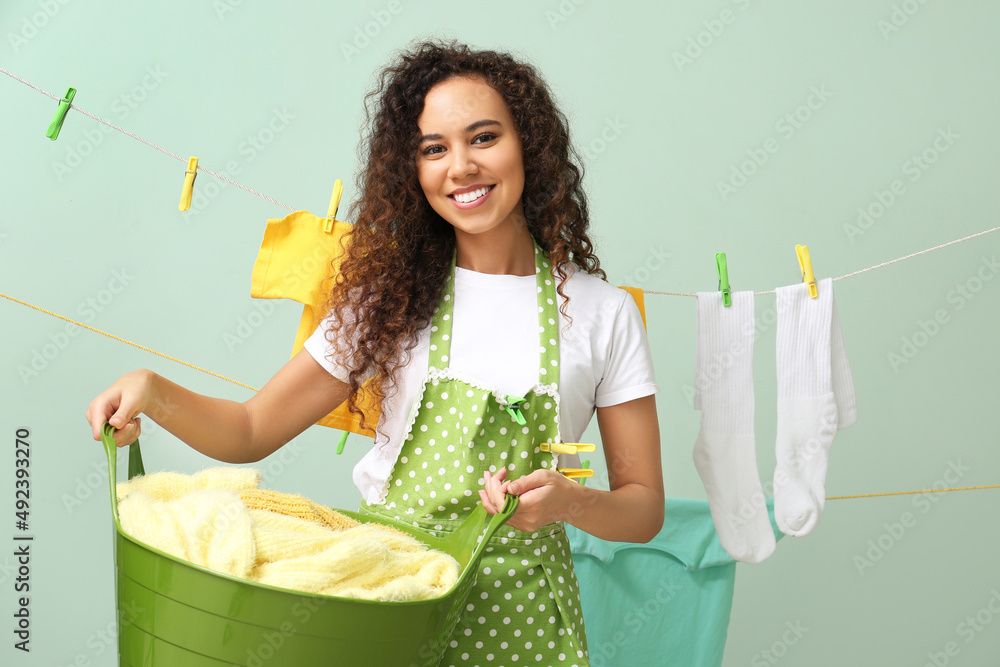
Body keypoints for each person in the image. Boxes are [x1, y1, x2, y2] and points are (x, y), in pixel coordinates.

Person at [85, 39, 664, 667]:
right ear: (412, 172)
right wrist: (154, 391)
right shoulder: (387, 299)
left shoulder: (604, 313)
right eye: (433, 149)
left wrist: (573, 501)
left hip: (523, 617)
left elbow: (643, 506)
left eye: (484, 138)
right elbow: (251, 430)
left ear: (529, 144)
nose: (461, 166)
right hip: (388, 599)